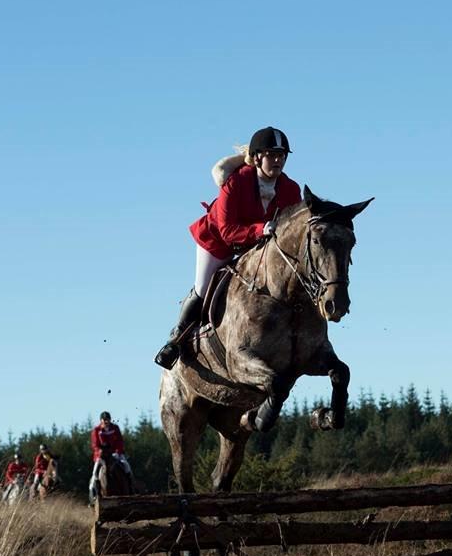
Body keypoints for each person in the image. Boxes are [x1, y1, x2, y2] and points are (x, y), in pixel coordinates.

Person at [154, 126, 303, 369]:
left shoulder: (290, 189)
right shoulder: (237, 182)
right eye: (272, 155)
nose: (278, 160)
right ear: (257, 158)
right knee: (203, 288)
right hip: (217, 241)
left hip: (255, 247)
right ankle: (176, 341)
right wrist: (260, 229)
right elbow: (227, 231)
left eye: (282, 155)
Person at [88, 411, 132, 501]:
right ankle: (93, 495)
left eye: (107, 420)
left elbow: (120, 442)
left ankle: (131, 486)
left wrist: (117, 452)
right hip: (101, 456)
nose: (106, 422)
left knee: (126, 466)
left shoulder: (115, 428)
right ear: (101, 421)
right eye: (104, 420)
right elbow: (95, 445)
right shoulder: (96, 430)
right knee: (95, 473)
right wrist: (100, 451)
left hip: (115, 454)